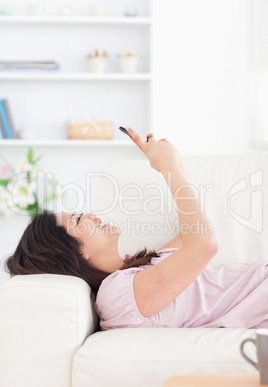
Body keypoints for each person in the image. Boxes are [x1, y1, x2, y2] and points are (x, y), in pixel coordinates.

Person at [5, 127, 268, 330]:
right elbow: (204, 245)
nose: (93, 215)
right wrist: (169, 167)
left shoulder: (134, 268)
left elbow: (192, 235)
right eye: (78, 219)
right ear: (74, 252)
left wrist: (171, 162)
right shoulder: (115, 296)